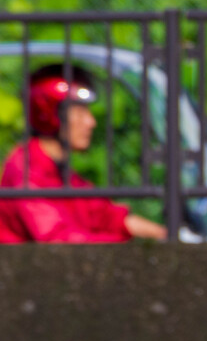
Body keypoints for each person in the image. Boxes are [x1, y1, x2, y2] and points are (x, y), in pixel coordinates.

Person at [0, 64, 168, 243]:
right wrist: (124, 247)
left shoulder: (60, 171)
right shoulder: (26, 172)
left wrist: (166, 235)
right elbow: (59, 240)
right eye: (80, 113)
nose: (91, 122)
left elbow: (106, 215)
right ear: (49, 114)